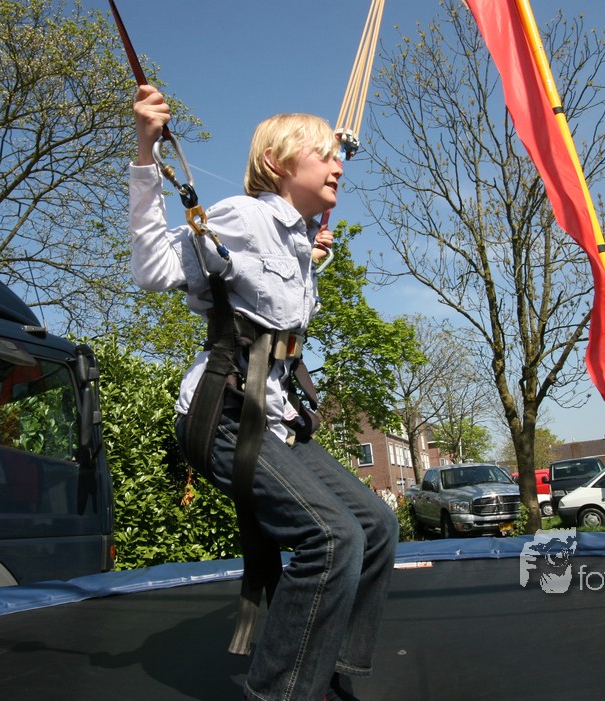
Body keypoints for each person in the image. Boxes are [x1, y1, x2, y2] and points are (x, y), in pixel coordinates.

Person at [130, 84, 398, 701]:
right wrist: (146, 152)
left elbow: (274, 290)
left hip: (274, 417)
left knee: (378, 525)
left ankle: (329, 675)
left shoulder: (299, 242)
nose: (337, 165)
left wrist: (311, 251)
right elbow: (153, 268)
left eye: (336, 156)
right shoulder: (243, 217)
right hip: (223, 413)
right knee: (331, 537)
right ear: (278, 163)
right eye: (323, 155)